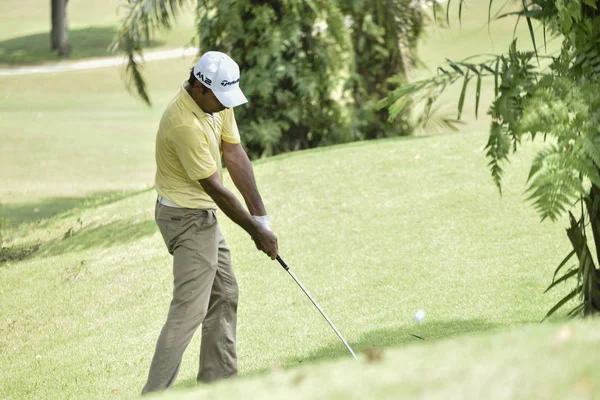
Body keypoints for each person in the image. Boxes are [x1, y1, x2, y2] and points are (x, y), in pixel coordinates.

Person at [142, 51, 278, 394]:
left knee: (225, 293)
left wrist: (262, 219)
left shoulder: (217, 101)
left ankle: (218, 388)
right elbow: (217, 191)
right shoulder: (182, 124)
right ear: (200, 87)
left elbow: (234, 155)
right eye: (220, 98)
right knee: (189, 311)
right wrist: (255, 232)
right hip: (185, 218)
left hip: (201, 215)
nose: (224, 105)